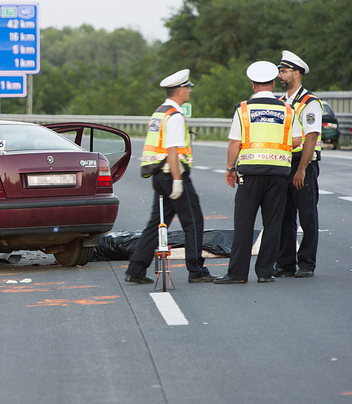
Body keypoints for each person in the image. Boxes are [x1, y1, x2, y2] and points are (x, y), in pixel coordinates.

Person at [215, 61, 302, 284]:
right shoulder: (288, 109)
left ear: (254, 85)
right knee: (272, 224)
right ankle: (265, 273)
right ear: (272, 84)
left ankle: (237, 274)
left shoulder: (243, 109)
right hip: (278, 174)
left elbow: (235, 143)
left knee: (244, 224)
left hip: (250, 174)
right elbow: (298, 139)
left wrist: (230, 169)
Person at [125, 69, 215, 284]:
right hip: (172, 175)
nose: (190, 91)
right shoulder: (174, 116)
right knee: (193, 222)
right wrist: (177, 180)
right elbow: (172, 149)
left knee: (157, 224)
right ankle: (196, 270)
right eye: (188, 88)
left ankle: (136, 269)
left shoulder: (159, 113)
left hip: (158, 175)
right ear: (180, 91)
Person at [273, 50, 322, 278]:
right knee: (284, 215)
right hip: (284, 162)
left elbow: (311, 137)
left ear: (297, 73)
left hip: (304, 163)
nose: (280, 76)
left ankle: (306, 263)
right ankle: (285, 263)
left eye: (284, 72)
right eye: (280, 71)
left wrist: (301, 169)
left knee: (307, 214)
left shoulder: (309, 103)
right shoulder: (281, 102)